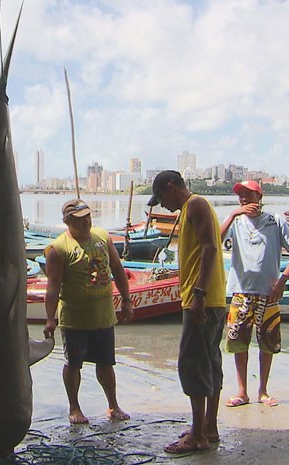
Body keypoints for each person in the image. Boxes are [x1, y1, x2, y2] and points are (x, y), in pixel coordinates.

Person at [147, 170, 226, 454]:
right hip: (210, 299)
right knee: (209, 364)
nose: (163, 205)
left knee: (192, 365)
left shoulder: (195, 204)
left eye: (162, 198)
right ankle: (208, 427)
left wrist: (199, 295)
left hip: (202, 300)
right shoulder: (189, 209)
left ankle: (197, 436)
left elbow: (209, 249)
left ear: (171, 187)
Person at [42, 199, 133, 425]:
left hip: (103, 315)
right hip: (75, 318)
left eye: (88, 218)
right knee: (73, 364)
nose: (85, 223)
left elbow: (118, 270)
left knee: (106, 363)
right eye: (79, 220)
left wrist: (127, 300)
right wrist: (50, 319)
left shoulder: (103, 237)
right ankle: (74, 407)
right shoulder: (58, 248)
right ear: (67, 221)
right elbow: (52, 288)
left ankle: (113, 404)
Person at [221, 180, 289, 408]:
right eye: (241, 195)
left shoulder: (275, 221)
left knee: (267, 343)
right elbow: (214, 240)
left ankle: (263, 391)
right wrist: (233, 214)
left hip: (268, 294)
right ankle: (242, 392)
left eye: (249, 195)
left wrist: (282, 281)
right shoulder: (236, 222)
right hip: (240, 292)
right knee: (238, 344)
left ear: (259, 197)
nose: (244, 199)